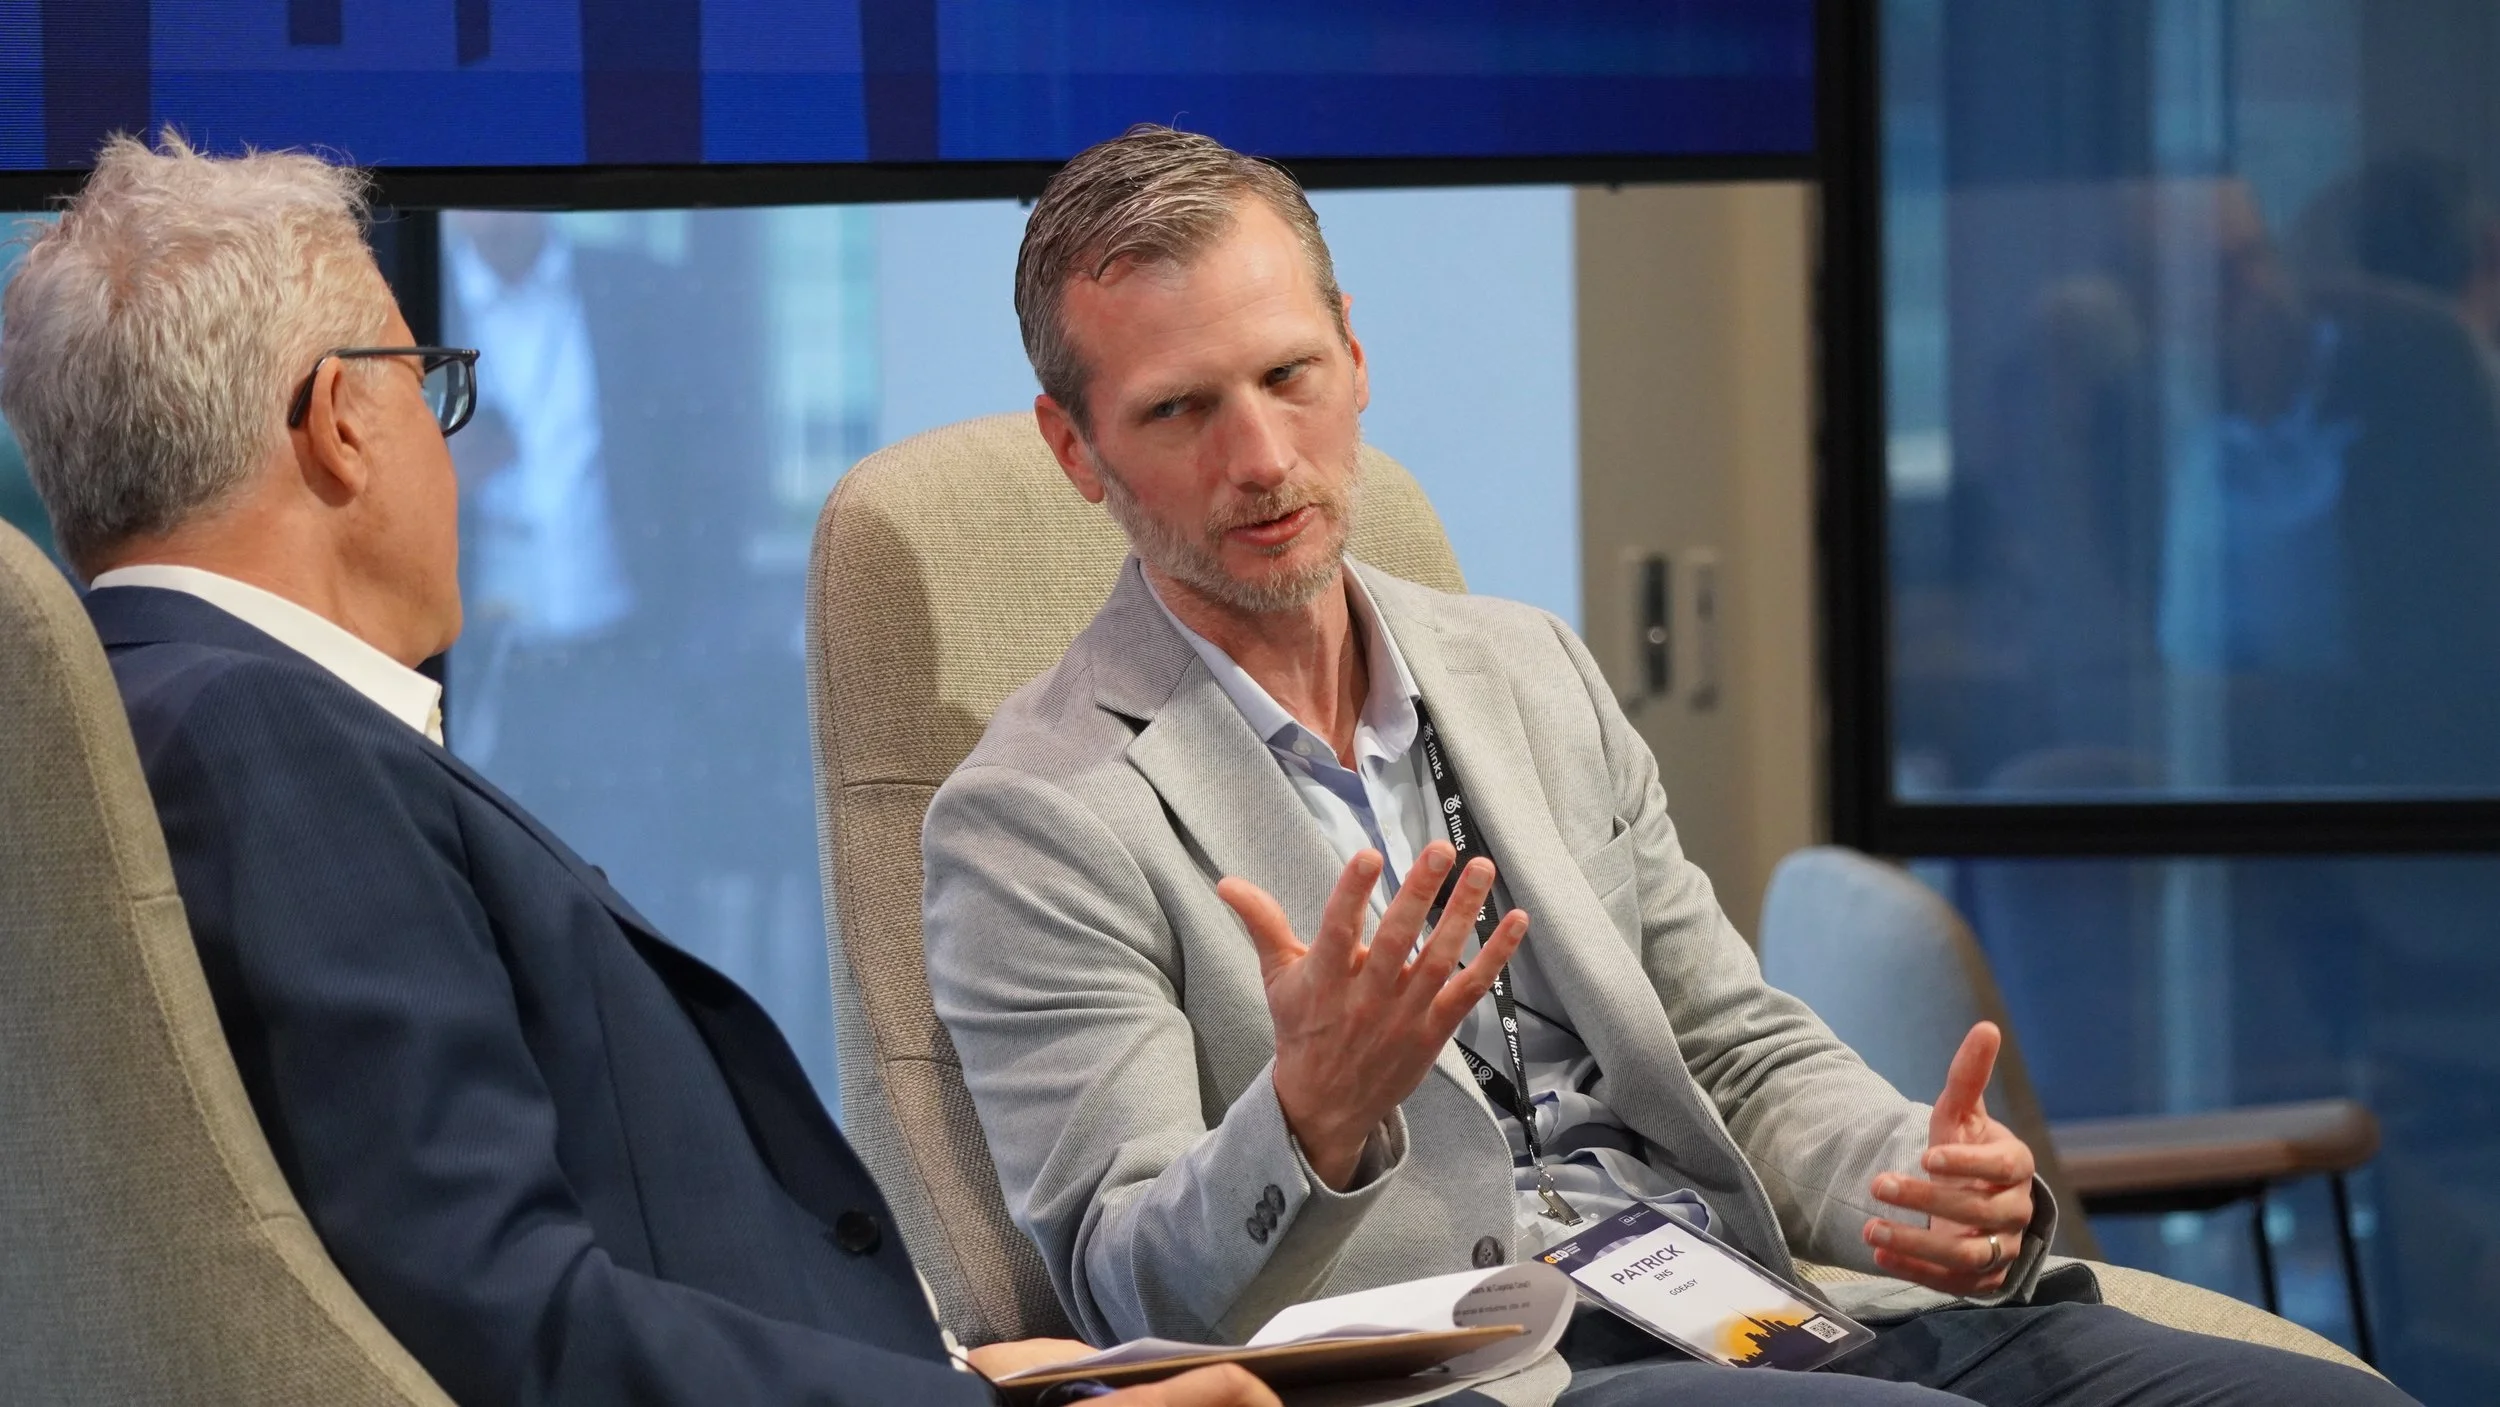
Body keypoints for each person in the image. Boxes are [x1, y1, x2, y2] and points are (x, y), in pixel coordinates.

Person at [919, 125, 2416, 1407]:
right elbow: (1120, 1292)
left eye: (1289, 375)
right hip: (1492, 1369)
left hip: (1766, 1307)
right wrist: (1307, 1117)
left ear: (1356, 356)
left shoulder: (1528, 667)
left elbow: (1729, 1043)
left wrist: (1918, 1173)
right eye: (1180, 409)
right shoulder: (1032, 815)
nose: (1261, 454)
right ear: (1076, 446)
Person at [0, 133, 1269, 1407]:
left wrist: (958, 1370)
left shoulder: (126, 726)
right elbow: (506, 1321)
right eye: (429, 381)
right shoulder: (263, 746)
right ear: (340, 424)